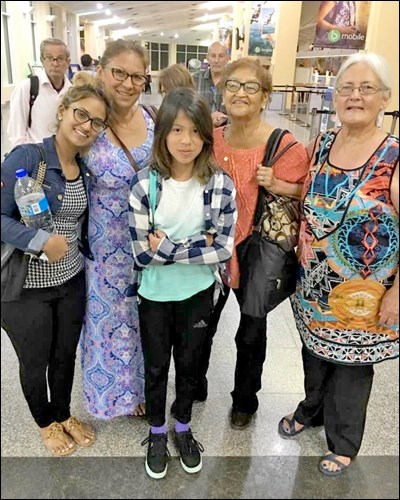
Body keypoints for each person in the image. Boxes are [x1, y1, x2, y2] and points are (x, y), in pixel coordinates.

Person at [278, 53, 399, 476]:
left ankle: (344, 441)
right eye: (347, 87)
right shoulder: (324, 142)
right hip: (313, 285)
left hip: (363, 296)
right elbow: (309, 194)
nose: (355, 96)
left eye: (367, 88)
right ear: (334, 95)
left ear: (385, 97)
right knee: (314, 354)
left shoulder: (394, 155)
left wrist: (399, 292)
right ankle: (311, 409)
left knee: (351, 367)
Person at [128, 87, 237, 479]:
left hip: (197, 294)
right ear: (162, 135)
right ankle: (158, 431)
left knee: (190, 365)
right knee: (156, 367)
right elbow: (140, 253)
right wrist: (197, 244)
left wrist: (170, 247)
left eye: (194, 131)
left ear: (207, 135)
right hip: (154, 294)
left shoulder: (220, 185)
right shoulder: (144, 185)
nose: (186, 140)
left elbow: (223, 249)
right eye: (176, 130)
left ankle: (183, 427)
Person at [1, 73, 111, 456]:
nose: (87, 126)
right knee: (36, 361)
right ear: (62, 111)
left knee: (64, 355)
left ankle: (63, 414)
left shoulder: (83, 167)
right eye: (81, 115)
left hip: (70, 281)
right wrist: (39, 240)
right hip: (25, 288)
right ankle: (45, 423)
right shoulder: (29, 158)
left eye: (97, 122)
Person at [197, 58, 309, 426]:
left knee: (251, 330)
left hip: (257, 247)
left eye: (250, 87)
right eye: (232, 85)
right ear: (221, 89)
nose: (239, 93)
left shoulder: (285, 145)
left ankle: (245, 400)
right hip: (211, 245)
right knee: (200, 324)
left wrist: (277, 184)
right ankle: (194, 383)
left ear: (265, 97)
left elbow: (307, 196)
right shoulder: (209, 137)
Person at [80, 39, 155, 419]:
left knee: (144, 323)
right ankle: (107, 398)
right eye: (119, 73)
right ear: (102, 72)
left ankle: (141, 391)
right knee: (106, 322)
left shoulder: (154, 119)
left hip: (149, 246)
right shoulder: (88, 122)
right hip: (102, 245)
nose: (127, 83)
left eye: (136, 76)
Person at [7, 38, 71, 149]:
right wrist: (25, 158)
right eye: (49, 58)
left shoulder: (72, 91)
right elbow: (17, 134)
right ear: (42, 60)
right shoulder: (27, 88)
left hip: (65, 157)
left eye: (60, 58)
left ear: (68, 62)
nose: (55, 63)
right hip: (36, 157)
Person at [194, 41, 229, 127]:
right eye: (213, 56)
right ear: (208, 58)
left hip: (227, 135)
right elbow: (188, 110)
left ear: (227, 58)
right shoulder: (194, 80)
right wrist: (208, 119)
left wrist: (226, 118)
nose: (216, 60)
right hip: (200, 133)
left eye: (221, 56)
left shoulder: (234, 82)